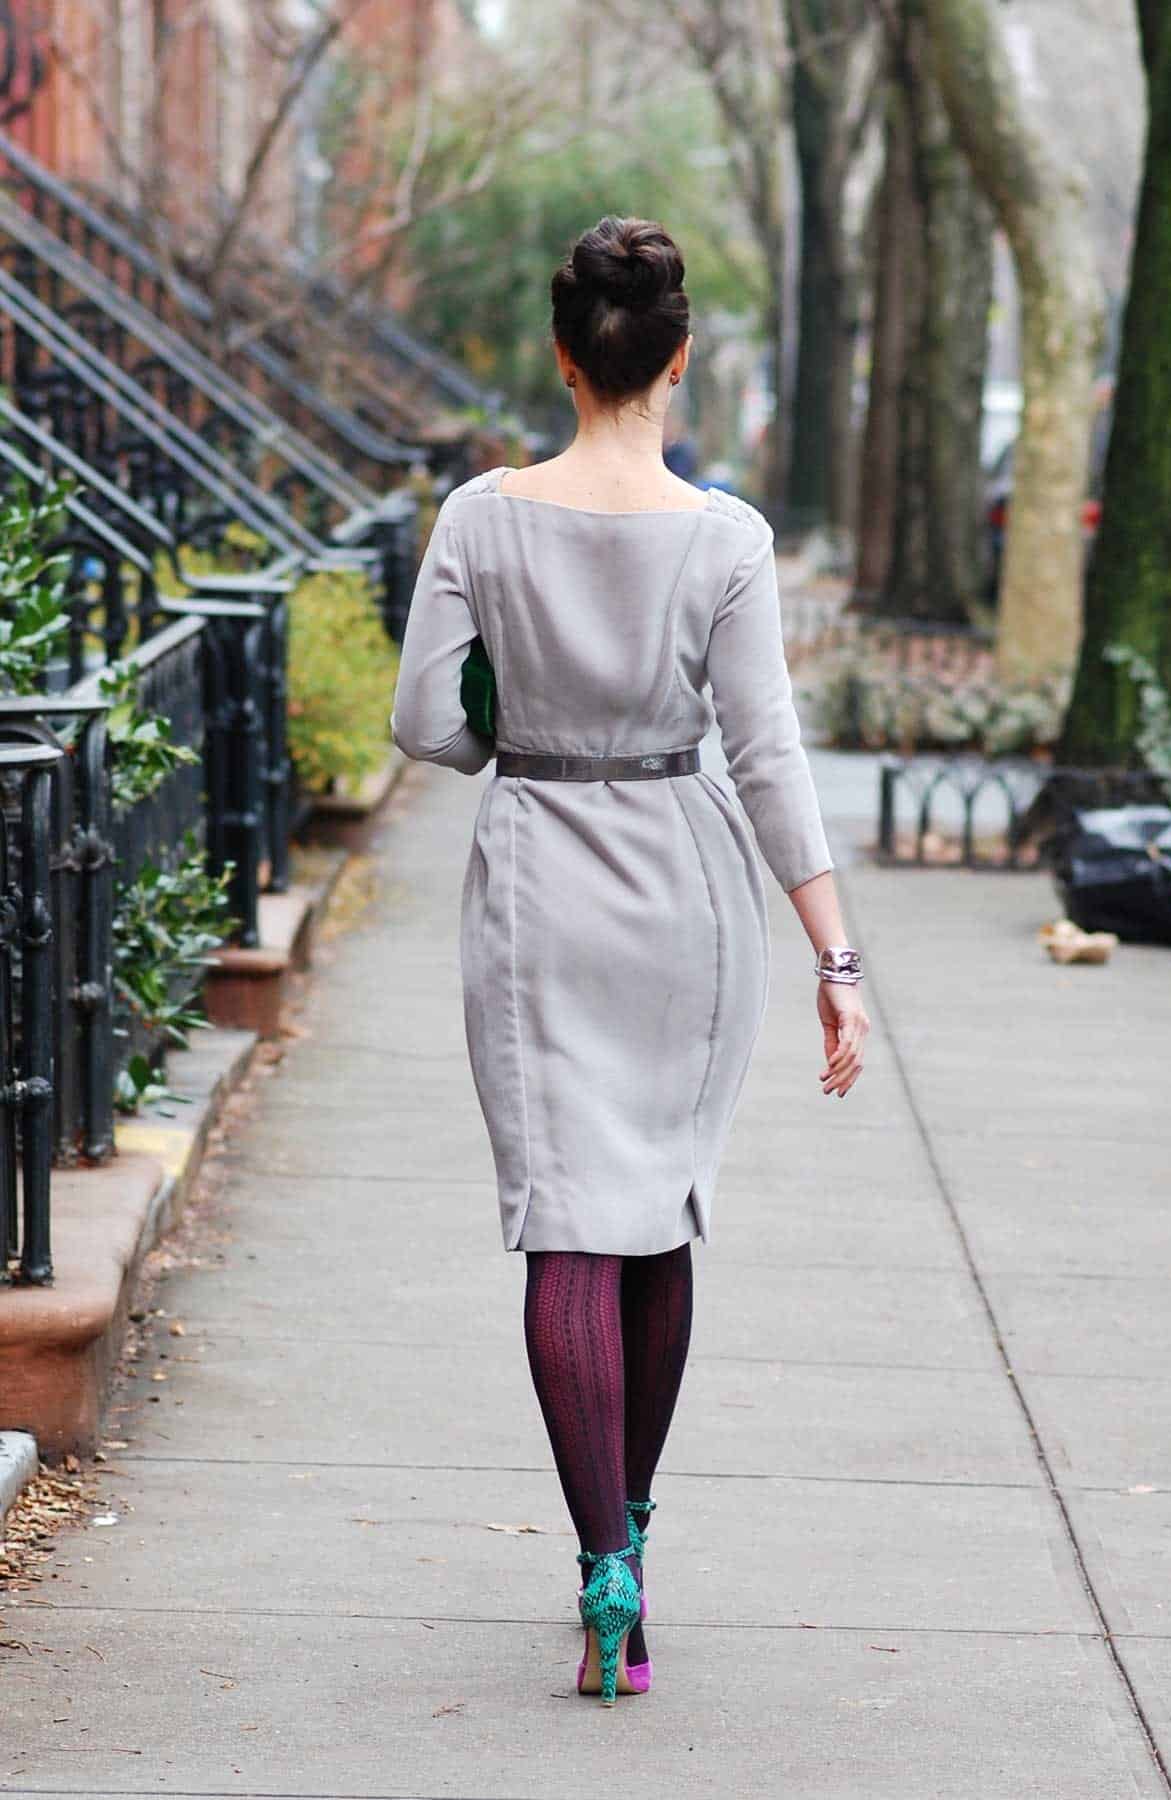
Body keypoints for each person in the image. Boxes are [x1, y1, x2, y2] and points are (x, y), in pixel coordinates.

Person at [389, 214, 869, 1707]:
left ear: (561, 357)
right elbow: (768, 754)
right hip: (685, 886)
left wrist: (503, 727)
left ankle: (601, 1561)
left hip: (538, 870)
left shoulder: (478, 519)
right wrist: (836, 956)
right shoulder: (725, 541)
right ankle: (636, 1553)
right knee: (652, 1212)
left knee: (563, 1221)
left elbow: (423, 727)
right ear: (676, 362)